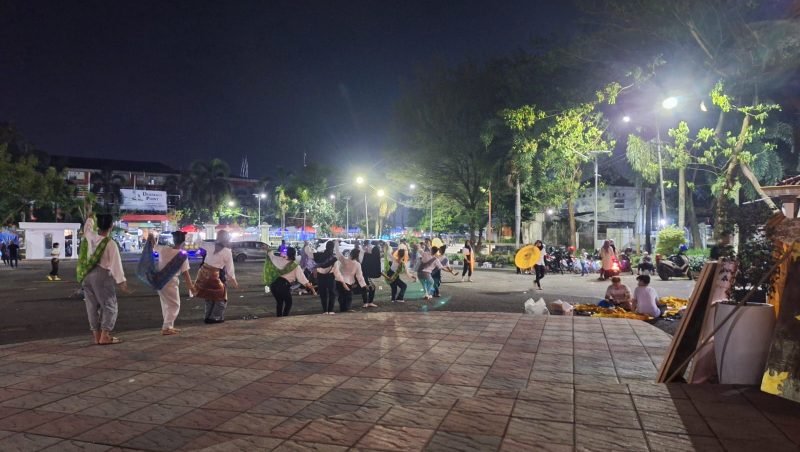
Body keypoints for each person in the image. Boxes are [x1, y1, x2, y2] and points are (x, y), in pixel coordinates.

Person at [78, 214, 129, 345]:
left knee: (91, 306)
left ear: (98, 225)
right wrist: (121, 282)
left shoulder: (91, 236)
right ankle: (105, 335)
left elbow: (87, 229)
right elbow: (115, 264)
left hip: (87, 275)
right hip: (102, 276)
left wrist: (90, 219)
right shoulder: (110, 243)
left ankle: (96, 336)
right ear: (111, 226)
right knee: (110, 306)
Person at [150, 231, 194, 335]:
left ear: (173, 240)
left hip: (159, 281)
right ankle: (166, 327)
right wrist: (191, 287)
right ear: (183, 242)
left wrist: (152, 237)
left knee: (166, 304)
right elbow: (186, 273)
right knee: (174, 305)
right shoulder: (182, 255)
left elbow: (153, 246)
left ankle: (169, 326)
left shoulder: (164, 249)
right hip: (171, 283)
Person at [195, 231, 238, 323]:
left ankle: (207, 316)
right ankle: (215, 317)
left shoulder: (211, 245)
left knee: (209, 296)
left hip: (203, 273)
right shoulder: (227, 251)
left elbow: (198, 242)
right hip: (215, 274)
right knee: (221, 297)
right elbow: (230, 269)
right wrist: (234, 281)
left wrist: (198, 234)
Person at [265, 246, 315, 317]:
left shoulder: (279, 260)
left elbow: (271, 256)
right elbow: (302, 279)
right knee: (289, 302)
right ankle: (284, 317)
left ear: (287, 254)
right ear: (294, 254)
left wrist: (268, 250)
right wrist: (309, 286)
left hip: (274, 285)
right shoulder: (295, 266)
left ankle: (279, 317)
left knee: (280, 302)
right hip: (283, 285)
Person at [334, 241, 367, 312]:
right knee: (348, 296)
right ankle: (346, 309)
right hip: (349, 282)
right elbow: (359, 276)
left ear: (350, 253)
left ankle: (342, 309)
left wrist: (336, 243)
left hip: (339, 281)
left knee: (341, 296)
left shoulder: (344, 260)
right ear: (357, 256)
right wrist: (363, 285)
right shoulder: (357, 264)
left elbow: (337, 252)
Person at [314, 240, 338, 314]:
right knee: (332, 293)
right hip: (330, 276)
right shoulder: (334, 257)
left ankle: (325, 310)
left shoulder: (319, 255)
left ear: (326, 246)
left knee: (323, 294)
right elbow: (336, 270)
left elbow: (314, 262)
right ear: (332, 247)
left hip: (320, 277)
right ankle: (330, 310)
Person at [360, 240, 382, 308]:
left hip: (364, 274)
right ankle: (367, 302)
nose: (369, 248)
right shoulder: (365, 254)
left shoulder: (366, 254)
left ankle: (368, 302)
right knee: (369, 287)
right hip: (363, 274)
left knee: (368, 287)